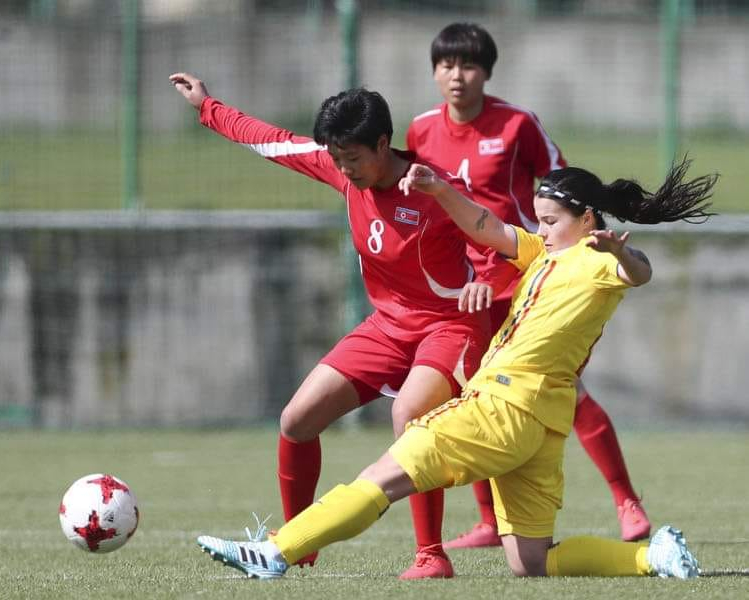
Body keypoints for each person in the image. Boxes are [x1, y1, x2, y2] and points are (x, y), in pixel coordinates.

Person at [195, 156, 716, 581]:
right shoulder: (545, 253)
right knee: (530, 562)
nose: (542, 229)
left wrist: (620, 255)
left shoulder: (597, 258)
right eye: (539, 219)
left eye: (552, 220)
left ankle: (276, 552)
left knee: (384, 474)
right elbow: (486, 226)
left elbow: (640, 273)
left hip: (502, 405)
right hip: (543, 424)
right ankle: (653, 558)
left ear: (587, 219)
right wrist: (439, 189)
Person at [169, 72, 512, 579]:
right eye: (336, 157)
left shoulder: (436, 187)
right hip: (387, 328)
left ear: (382, 143)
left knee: (409, 419)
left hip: (449, 327)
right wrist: (208, 107)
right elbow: (274, 142)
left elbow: (502, 243)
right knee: (296, 421)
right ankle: (295, 545)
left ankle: (431, 555)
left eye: (353, 157)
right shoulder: (342, 170)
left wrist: (485, 279)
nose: (343, 168)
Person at [406, 22, 651, 549]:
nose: (457, 76)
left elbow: (565, 191)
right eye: (447, 65)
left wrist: (583, 248)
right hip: (464, 286)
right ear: (433, 71)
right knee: (472, 390)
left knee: (569, 390)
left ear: (487, 72)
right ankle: (492, 521)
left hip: (524, 275)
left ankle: (626, 499)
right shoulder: (420, 131)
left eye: (468, 65)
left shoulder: (518, 125)